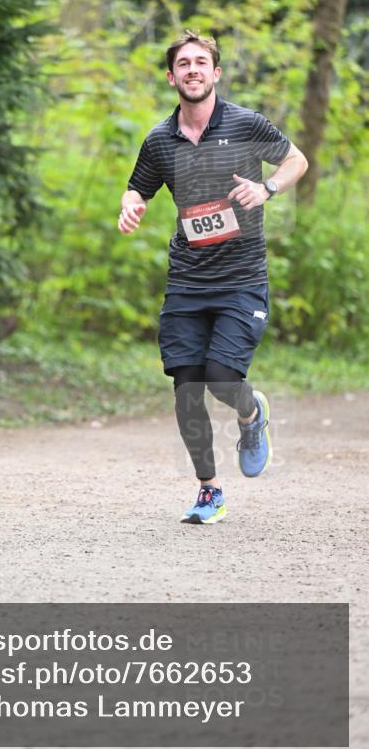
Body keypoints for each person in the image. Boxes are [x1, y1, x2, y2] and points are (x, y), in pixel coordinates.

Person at [118, 30, 308, 525]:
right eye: (184, 64)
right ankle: (209, 490)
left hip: (241, 279)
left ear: (216, 72)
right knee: (187, 387)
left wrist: (267, 189)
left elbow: (297, 160)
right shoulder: (160, 139)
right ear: (171, 77)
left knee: (222, 378)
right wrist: (130, 206)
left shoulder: (246, 123)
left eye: (201, 62)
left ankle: (251, 413)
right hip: (187, 280)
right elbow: (138, 189)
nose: (193, 70)